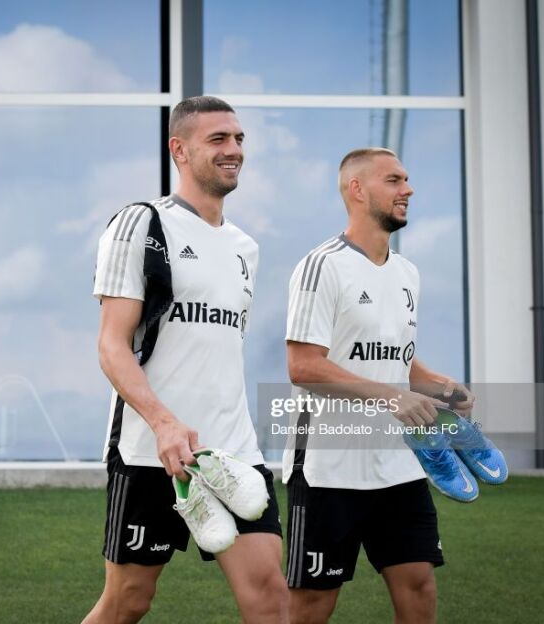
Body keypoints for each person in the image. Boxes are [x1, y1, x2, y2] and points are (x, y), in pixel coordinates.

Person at [83, 95, 289, 624]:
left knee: (270, 596)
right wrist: (164, 423)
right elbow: (112, 345)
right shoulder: (143, 223)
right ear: (179, 150)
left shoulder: (246, 248)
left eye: (239, 139)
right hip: (150, 452)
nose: (233, 149)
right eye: (218, 139)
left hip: (233, 451)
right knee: (128, 602)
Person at [283, 147, 475, 624]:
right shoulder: (322, 265)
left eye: (406, 179)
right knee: (312, 605)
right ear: (357, 189)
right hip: (329, 468)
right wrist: (392, 397)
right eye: (394, 180)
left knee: (419, 586)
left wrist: (443, 388)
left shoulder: (408, 273)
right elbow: (304, 366)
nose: (408, 189)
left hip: (398, 464)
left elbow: (397, 360)